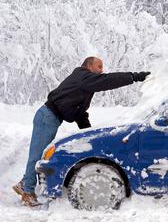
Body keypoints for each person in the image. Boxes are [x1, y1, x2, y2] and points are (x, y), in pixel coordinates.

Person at [12, 56, 150, 207]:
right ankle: (27, 191)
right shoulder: (83, 76)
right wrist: (134, 77)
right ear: (89, 66)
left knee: (38, 153)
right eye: (99, 66)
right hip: (47, 116)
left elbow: (79, 113)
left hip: (50, 117)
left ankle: (25, 183)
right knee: (37, 154)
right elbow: (107, 80)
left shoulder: (82, 83)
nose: (101, 70)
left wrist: (90, 135)